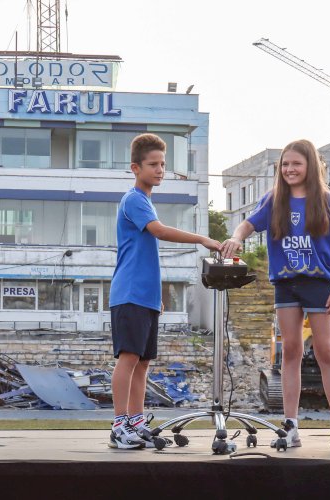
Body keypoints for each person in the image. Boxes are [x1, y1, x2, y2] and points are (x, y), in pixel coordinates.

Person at [220, 139, 330, 449]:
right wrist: (236, 237)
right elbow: (248, 224)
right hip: (285, 282)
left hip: (319, 282)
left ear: (310, 166)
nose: (289, 169)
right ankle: (291, 426)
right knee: (291, 351)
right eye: (284, 164)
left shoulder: (324, 199)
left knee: (324, 350)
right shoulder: (274, 199)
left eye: (296, 163)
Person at [108, 133, 221, 449]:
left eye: (163, 165)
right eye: (153, 164)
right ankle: (119, 426)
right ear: (135, 167)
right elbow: (158, 231)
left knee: (143, 363)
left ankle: (136, 421)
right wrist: (202, 239)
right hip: (129, 292)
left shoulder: (146, 201)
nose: (160, 170)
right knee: (128, 359)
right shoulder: (134, 199)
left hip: (145, 296)